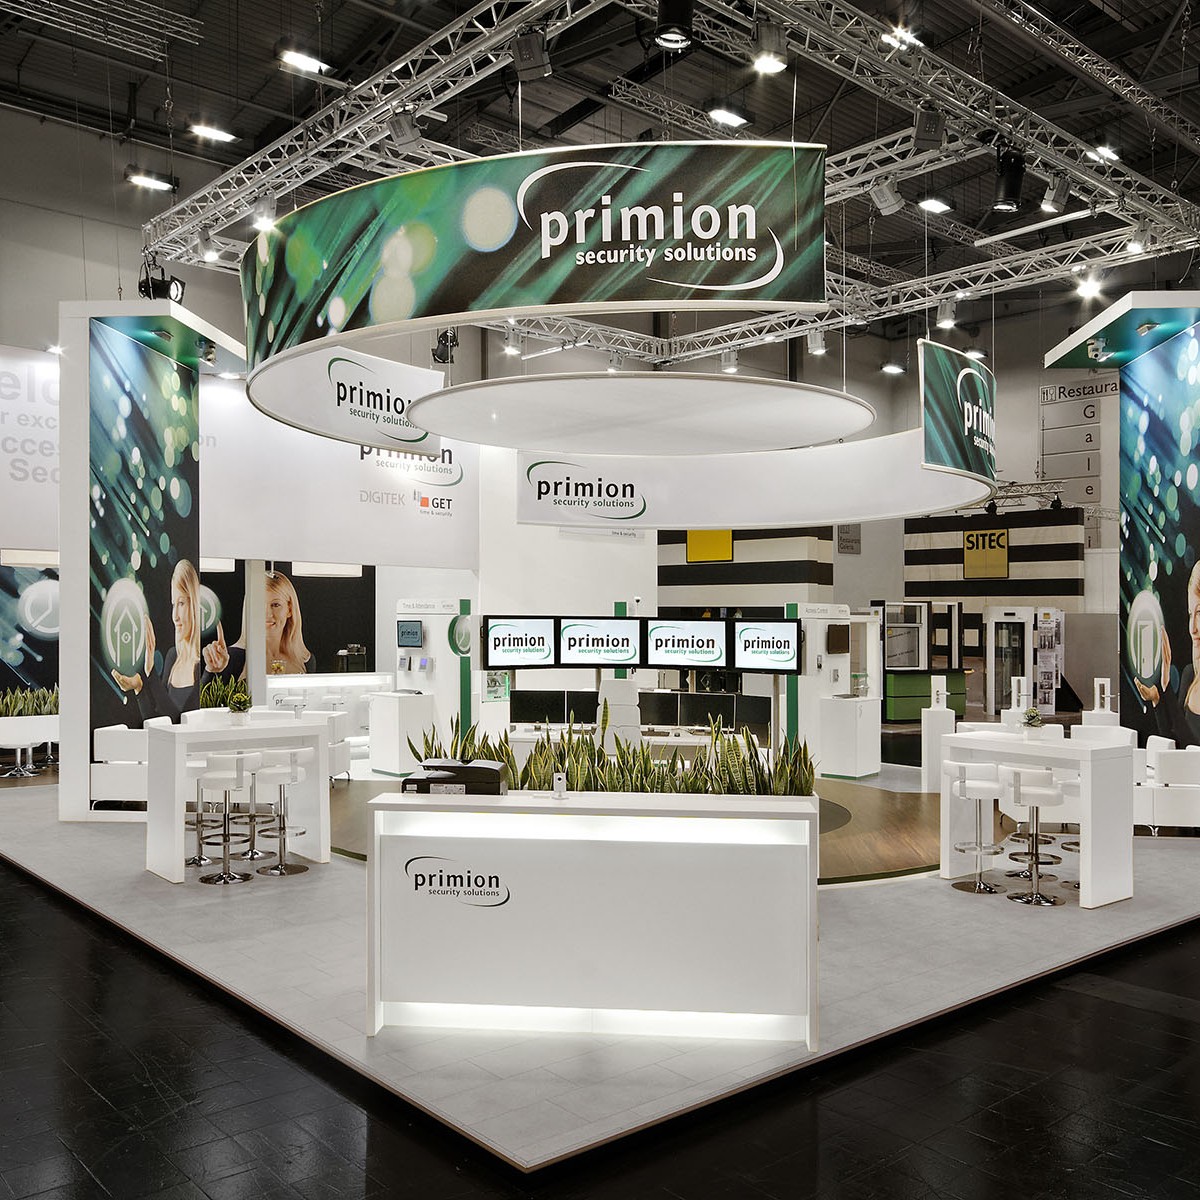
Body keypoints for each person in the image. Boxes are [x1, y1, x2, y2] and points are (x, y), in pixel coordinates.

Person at [111, 559, 202, 722]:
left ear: (194, 605)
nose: (175, 616)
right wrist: (139, 688)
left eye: (181, 603)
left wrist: (150, 671)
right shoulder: (173, 657)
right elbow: (158, 722)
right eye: (173, 604)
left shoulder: (201, 666)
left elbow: (177, 720)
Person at [201, 570, 313, 678]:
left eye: (276, 605)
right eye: (259, 604)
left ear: (289, 610)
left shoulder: (305, 660)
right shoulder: (232, 658)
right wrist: (211, 671)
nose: (268, 614)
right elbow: (202, 691)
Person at [1135, 560, 1200, 746]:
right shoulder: (1190, 676)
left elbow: (1193, 749)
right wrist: (1158, 699)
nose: (1193, 628)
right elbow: (1174, 744)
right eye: (1190, 614)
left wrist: (1167, 690)